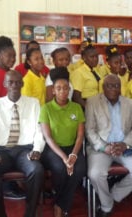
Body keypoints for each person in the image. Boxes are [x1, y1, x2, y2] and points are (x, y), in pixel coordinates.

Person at [0, 70, 45, 217]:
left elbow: (40, 131)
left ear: (22, 83)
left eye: (17, 82)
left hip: (24, 151)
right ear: (5, 84)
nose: (14, 85)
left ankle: (30, 213)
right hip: (1, 152)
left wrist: (37, 149)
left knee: (37, 170)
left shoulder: (33, 104)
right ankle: (0, 214)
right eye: (10, 82)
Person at [86, 75, 132, 217]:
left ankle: (113, 195)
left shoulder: (130, 104)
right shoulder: (92, 102)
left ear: (121, 87)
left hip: (124, 146)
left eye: (116, 86)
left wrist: (125, 144)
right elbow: (89, 130)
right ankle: (106, 205)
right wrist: (104, 147)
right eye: (109, 85)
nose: (113, 89)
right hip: (102, 148)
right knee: (95, 174)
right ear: (103, 87)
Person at [39, 69, 86, 217]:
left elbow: (80, 136)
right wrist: (64, 158)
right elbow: (48, 138)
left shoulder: (77, 108)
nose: (62, 91)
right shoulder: (46, 108)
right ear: (53, 91)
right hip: (53, 149)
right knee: (60, 168)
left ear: (70, 90)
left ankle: (60, 203)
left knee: (79, 169)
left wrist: (73, 154)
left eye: (66, 88)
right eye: (58, 88)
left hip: (73, 147)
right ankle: (61, 205)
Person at [70, 43, 106, 107]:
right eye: (92, 57)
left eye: (96, 56)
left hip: (97, 104)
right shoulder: (79, 73)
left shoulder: (95, 71)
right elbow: (76, 97)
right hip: (85, 106)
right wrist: (88, 109)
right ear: (84, 58)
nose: (95, 59)